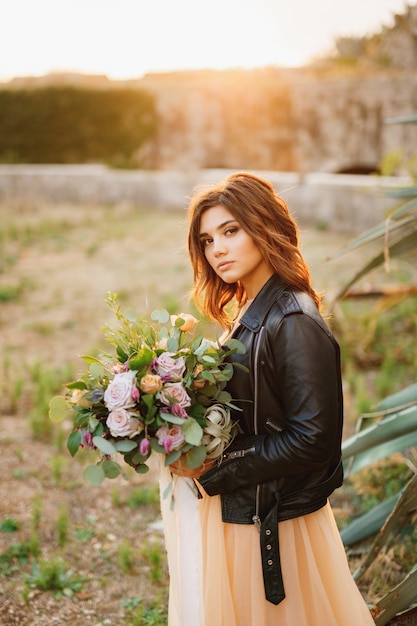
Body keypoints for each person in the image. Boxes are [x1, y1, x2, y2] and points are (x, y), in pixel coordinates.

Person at [159, 171, 375, 626]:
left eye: (230, 231)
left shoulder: (293, 319)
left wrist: (215, 466)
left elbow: (312, 439)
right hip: (248, 506)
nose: (216, 249)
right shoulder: (250, 308)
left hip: (274, 521)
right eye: (206, 240)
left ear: (263, 226)